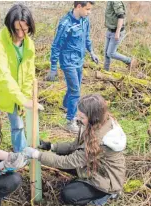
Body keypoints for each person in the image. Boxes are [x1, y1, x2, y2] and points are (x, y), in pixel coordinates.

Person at [25, 94, 126, 206]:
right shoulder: (95, 123)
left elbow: (68, 161)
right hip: (93, 167)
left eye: (82, 117)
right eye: (78, 115)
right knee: (58, 155)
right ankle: (83, 181)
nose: (78, 119)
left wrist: (37, 155)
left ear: (93, 117)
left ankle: (106, 195)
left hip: (107, 180)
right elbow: (75, 146)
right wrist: (51, 146)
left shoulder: (101, 140)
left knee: (68, 195)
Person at [0, 4, 43, 153]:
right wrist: (21, 99)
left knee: (18, 126)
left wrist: (25, 98)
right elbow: (2, 75)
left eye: (25, 29)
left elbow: (28, 74)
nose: (21, 34)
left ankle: (20, 155)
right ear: (9, 26)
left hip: (15, 94)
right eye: (17, 29)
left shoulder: (29, 45)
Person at [46, 1, 99, 133]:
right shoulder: (66, 24)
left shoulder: (85, 21)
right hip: (68, 62)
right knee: (75, 91)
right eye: (87, 9)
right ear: (78, 6)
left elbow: (87, 38)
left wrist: (91, 52)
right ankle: (70, 120)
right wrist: (53, 66)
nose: (89, 12)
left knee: (75, 87)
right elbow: (56, 45)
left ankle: (66, 106)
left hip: (79, 60)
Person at [104, 1, 137, 71]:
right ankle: (105, 71)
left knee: (110, 53)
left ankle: (130, 61)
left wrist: (118, 31)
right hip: (110, 30)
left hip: (116, 31)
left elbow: (121, 16)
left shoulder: (116, 1)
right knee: (106, 53)